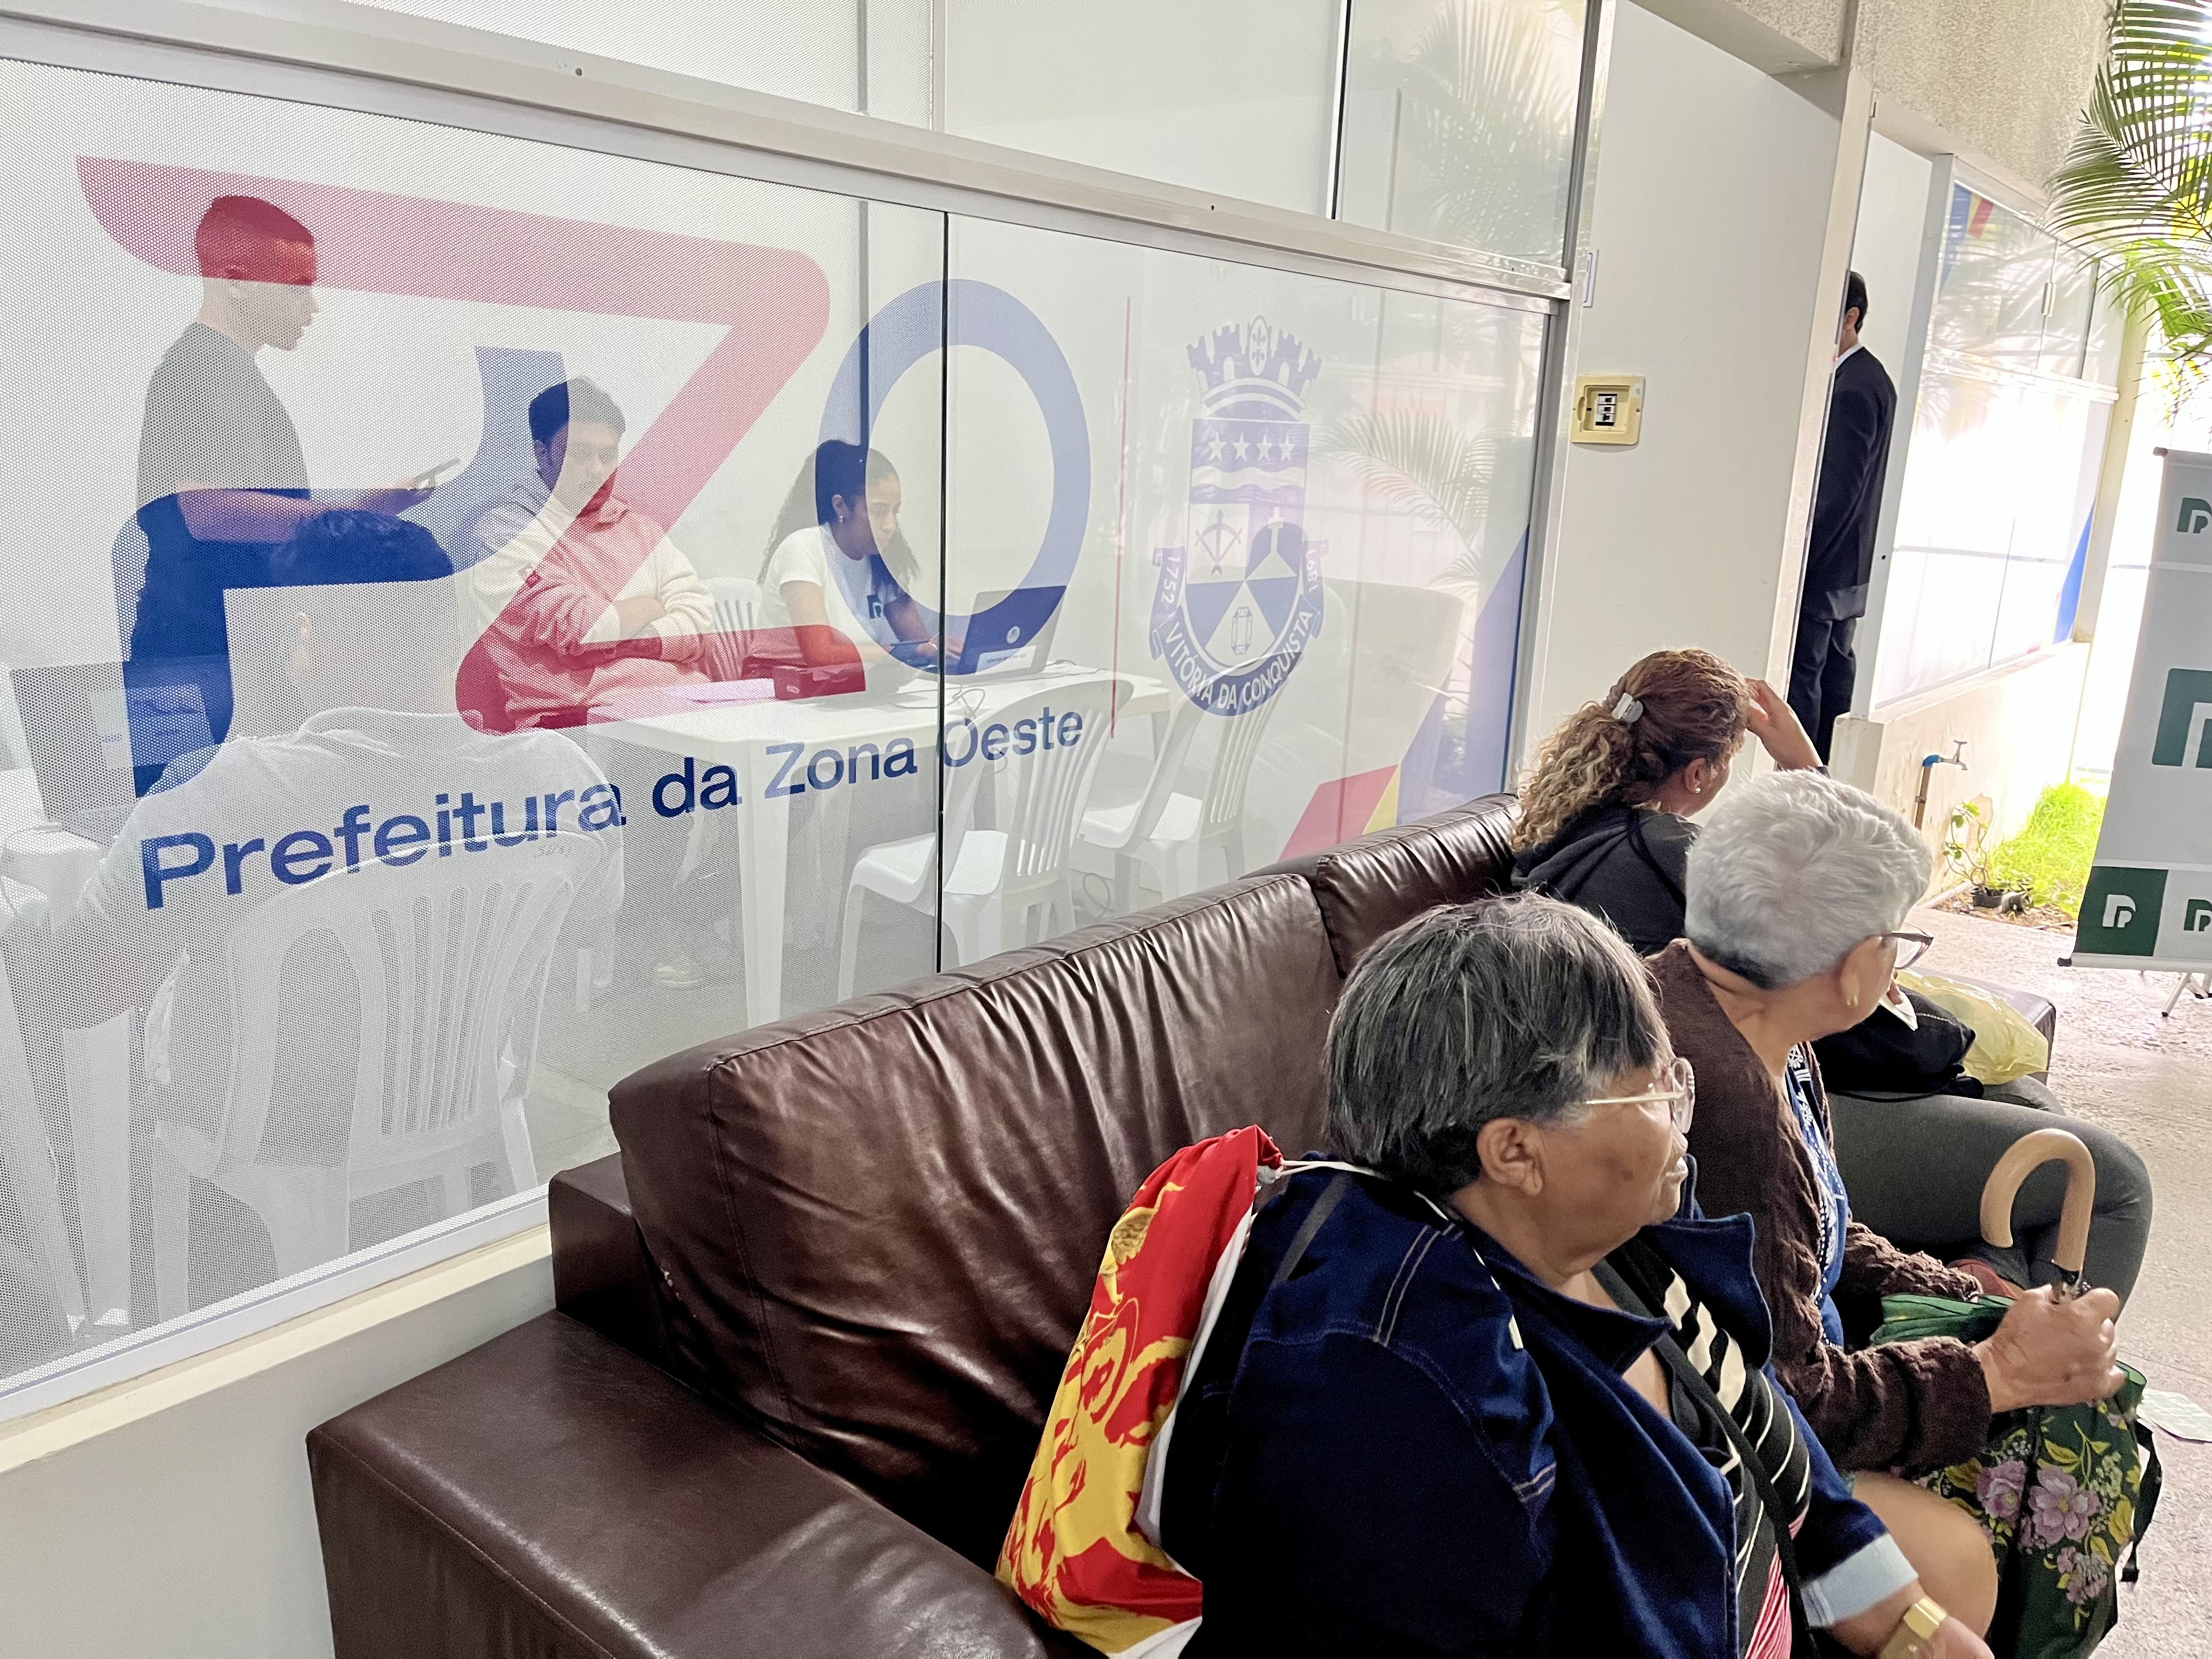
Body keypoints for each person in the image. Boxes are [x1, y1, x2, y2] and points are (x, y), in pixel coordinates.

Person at [1171, 896, 1995, 1657]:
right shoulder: (1397, 1394)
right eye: (1652, 1093)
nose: (1682, 1113)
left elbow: (1776, 1451)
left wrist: (1910, 1627)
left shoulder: (1616, 1232)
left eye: (1675, 1076)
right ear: (1515, 1151)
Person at [57, 513, 620, 1296]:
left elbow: (81, 995)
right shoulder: (563, 775)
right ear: (453, 631)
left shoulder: (216, 792)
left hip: (266, 1125)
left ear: (306, 635)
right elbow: (585, 930)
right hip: (462, 1092)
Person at [1654, 770, 2132, 1480]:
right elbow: (1789, 1407)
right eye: (1898, 942)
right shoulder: (1735, 1107)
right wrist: (2000, 1371)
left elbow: (1814, 1231)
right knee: (2022, 1501)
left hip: (1799, 1374)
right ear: (1855, 967)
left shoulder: (1726, 1009)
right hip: (1749, 1463)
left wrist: (1961, 1293)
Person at [129, 195, 424, 792]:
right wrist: (354, 512)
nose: (311, 307)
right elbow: (205, 509)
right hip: (205, 659)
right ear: (237, 282)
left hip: (224, 653)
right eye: (296, 287)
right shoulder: (202, 370)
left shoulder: (225, 372)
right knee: (192, 818)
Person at [1512, 649, 1821, 951]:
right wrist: (1807, 769)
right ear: (1697, 774)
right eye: (1729, 758)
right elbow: (1820, 924)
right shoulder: (1677, 853)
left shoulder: (1562, 817)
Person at [465, 378, 714, 729]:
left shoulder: (639, 528)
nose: (598, 470)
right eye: (580, 455)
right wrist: (651, 608)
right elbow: (583, 627)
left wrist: (626, 638)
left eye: (608, 455)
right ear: (542, 453)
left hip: (687, 706)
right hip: (577, 727)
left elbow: (702, 624)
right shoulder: (506, 532)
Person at [1790, 270, 1897, 761]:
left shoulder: (1851, 387)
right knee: (1834, 670)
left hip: (1826, 563)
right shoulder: (1873, 378)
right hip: (1849, 566)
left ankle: (1802, 776)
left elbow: (1837, 491)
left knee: (1805, 679)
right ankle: (1826, 771)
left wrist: (1798, 562)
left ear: (1851, 317)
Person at [757, 441, 944, 676]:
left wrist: (943, 650)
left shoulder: (880, 559)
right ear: (841, 506)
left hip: (852, 683)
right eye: (879, 511)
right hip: (782, 685)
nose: (891, 525)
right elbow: (821, 655)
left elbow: (920, 643)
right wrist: (903, 652)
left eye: (895, 511)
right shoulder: (802, 549)